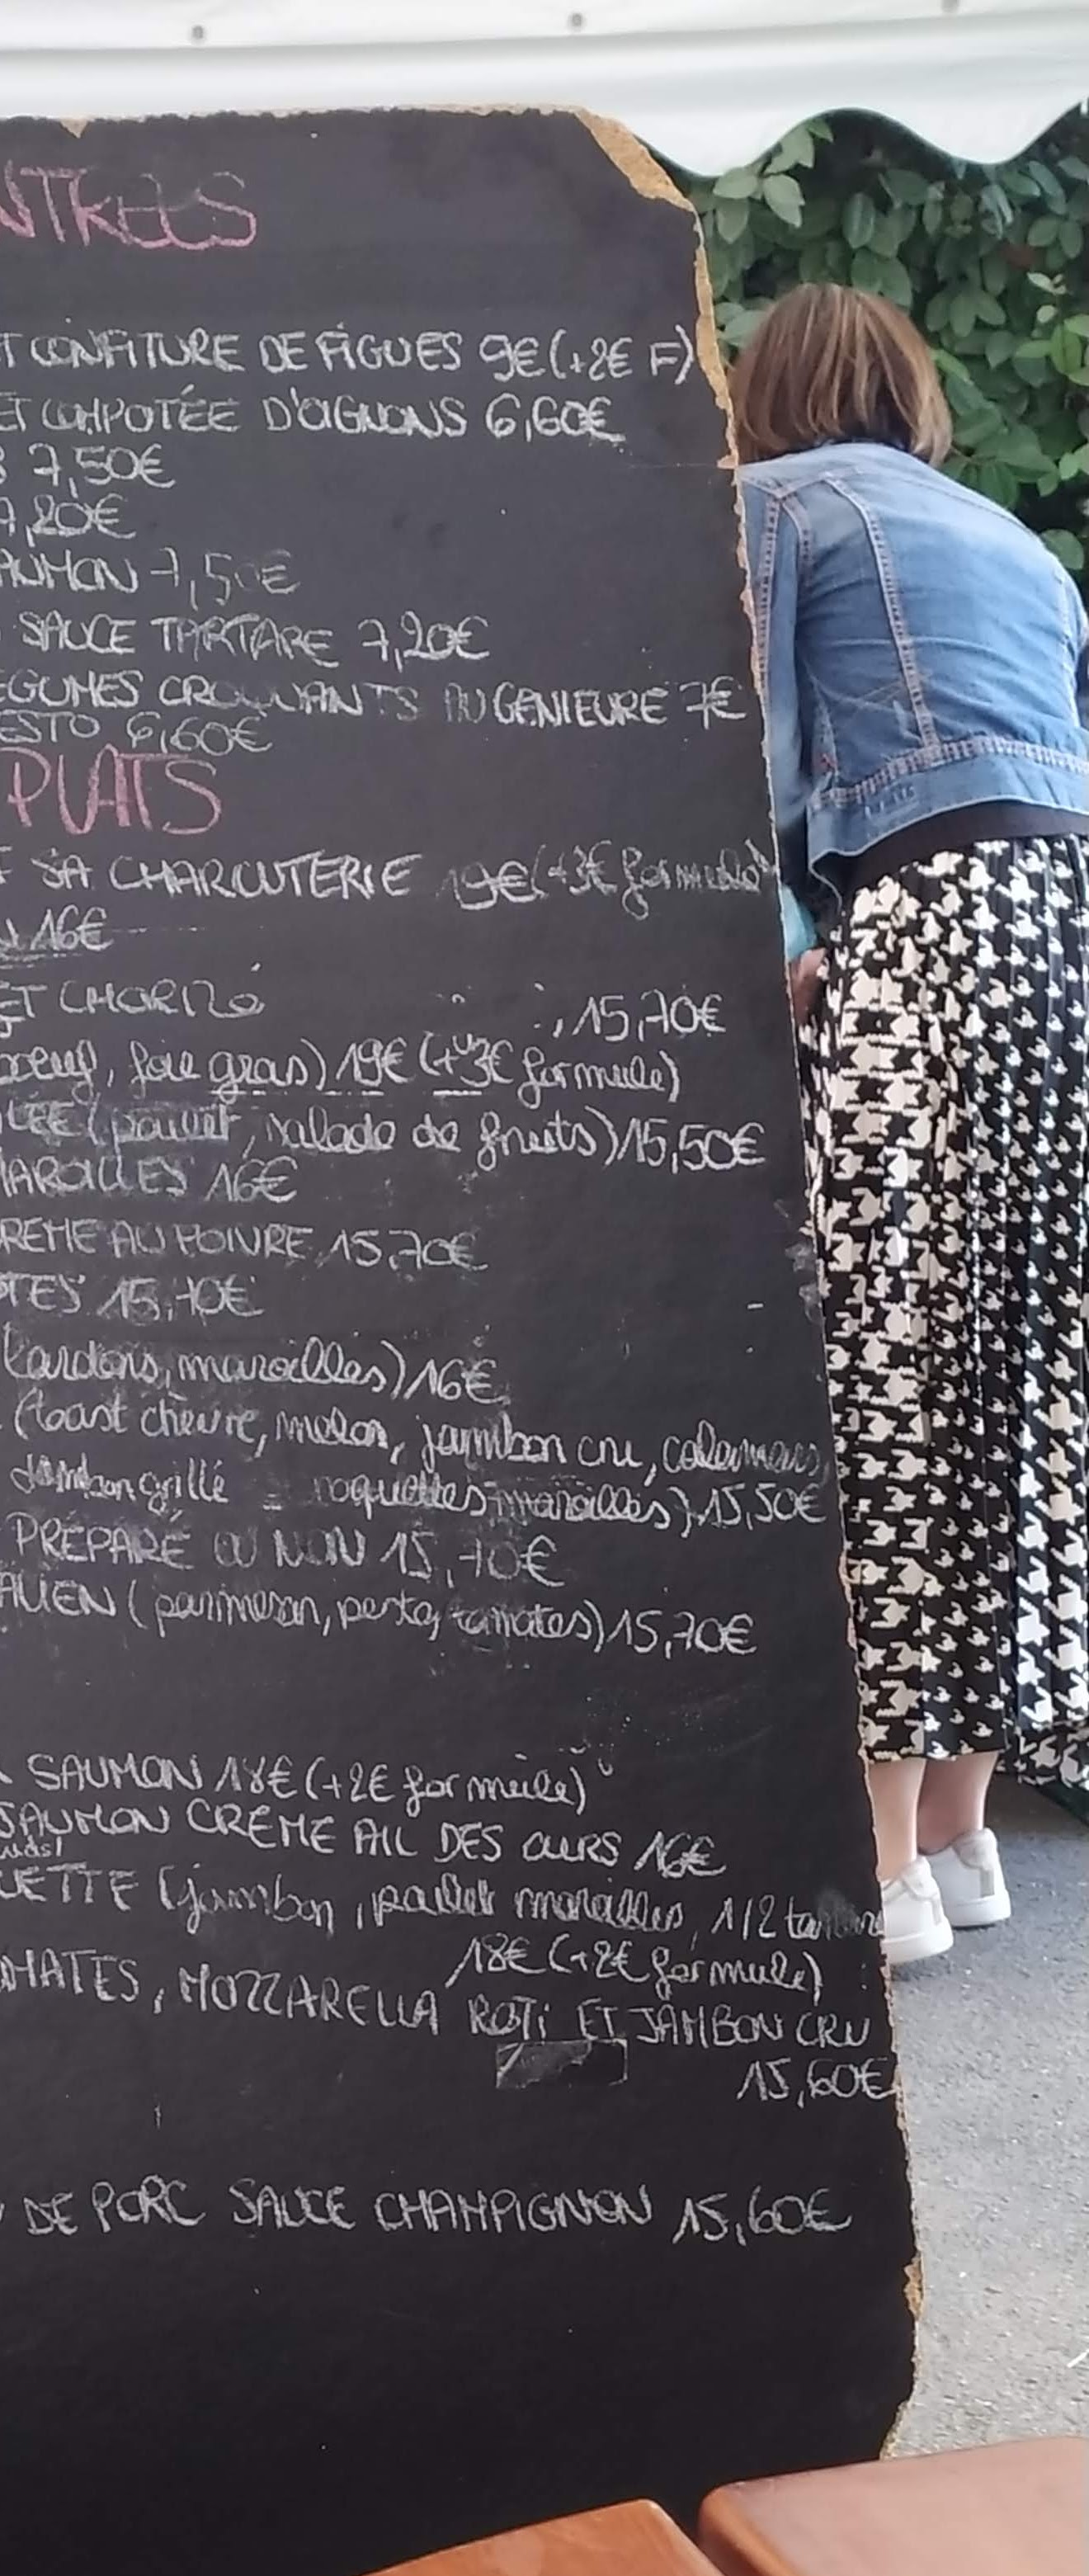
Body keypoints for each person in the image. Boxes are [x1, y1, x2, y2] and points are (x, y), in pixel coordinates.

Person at [735, 285, 1089, 1970]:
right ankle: (960, 1833)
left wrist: (786, 945)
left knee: (882, 1368)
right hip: (1059, 947)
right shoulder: (1019, 545)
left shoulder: (775, 503)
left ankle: (878, 1871)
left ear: (767, 389)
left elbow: (741, 759)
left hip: (925, 932)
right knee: (1009, 1373)